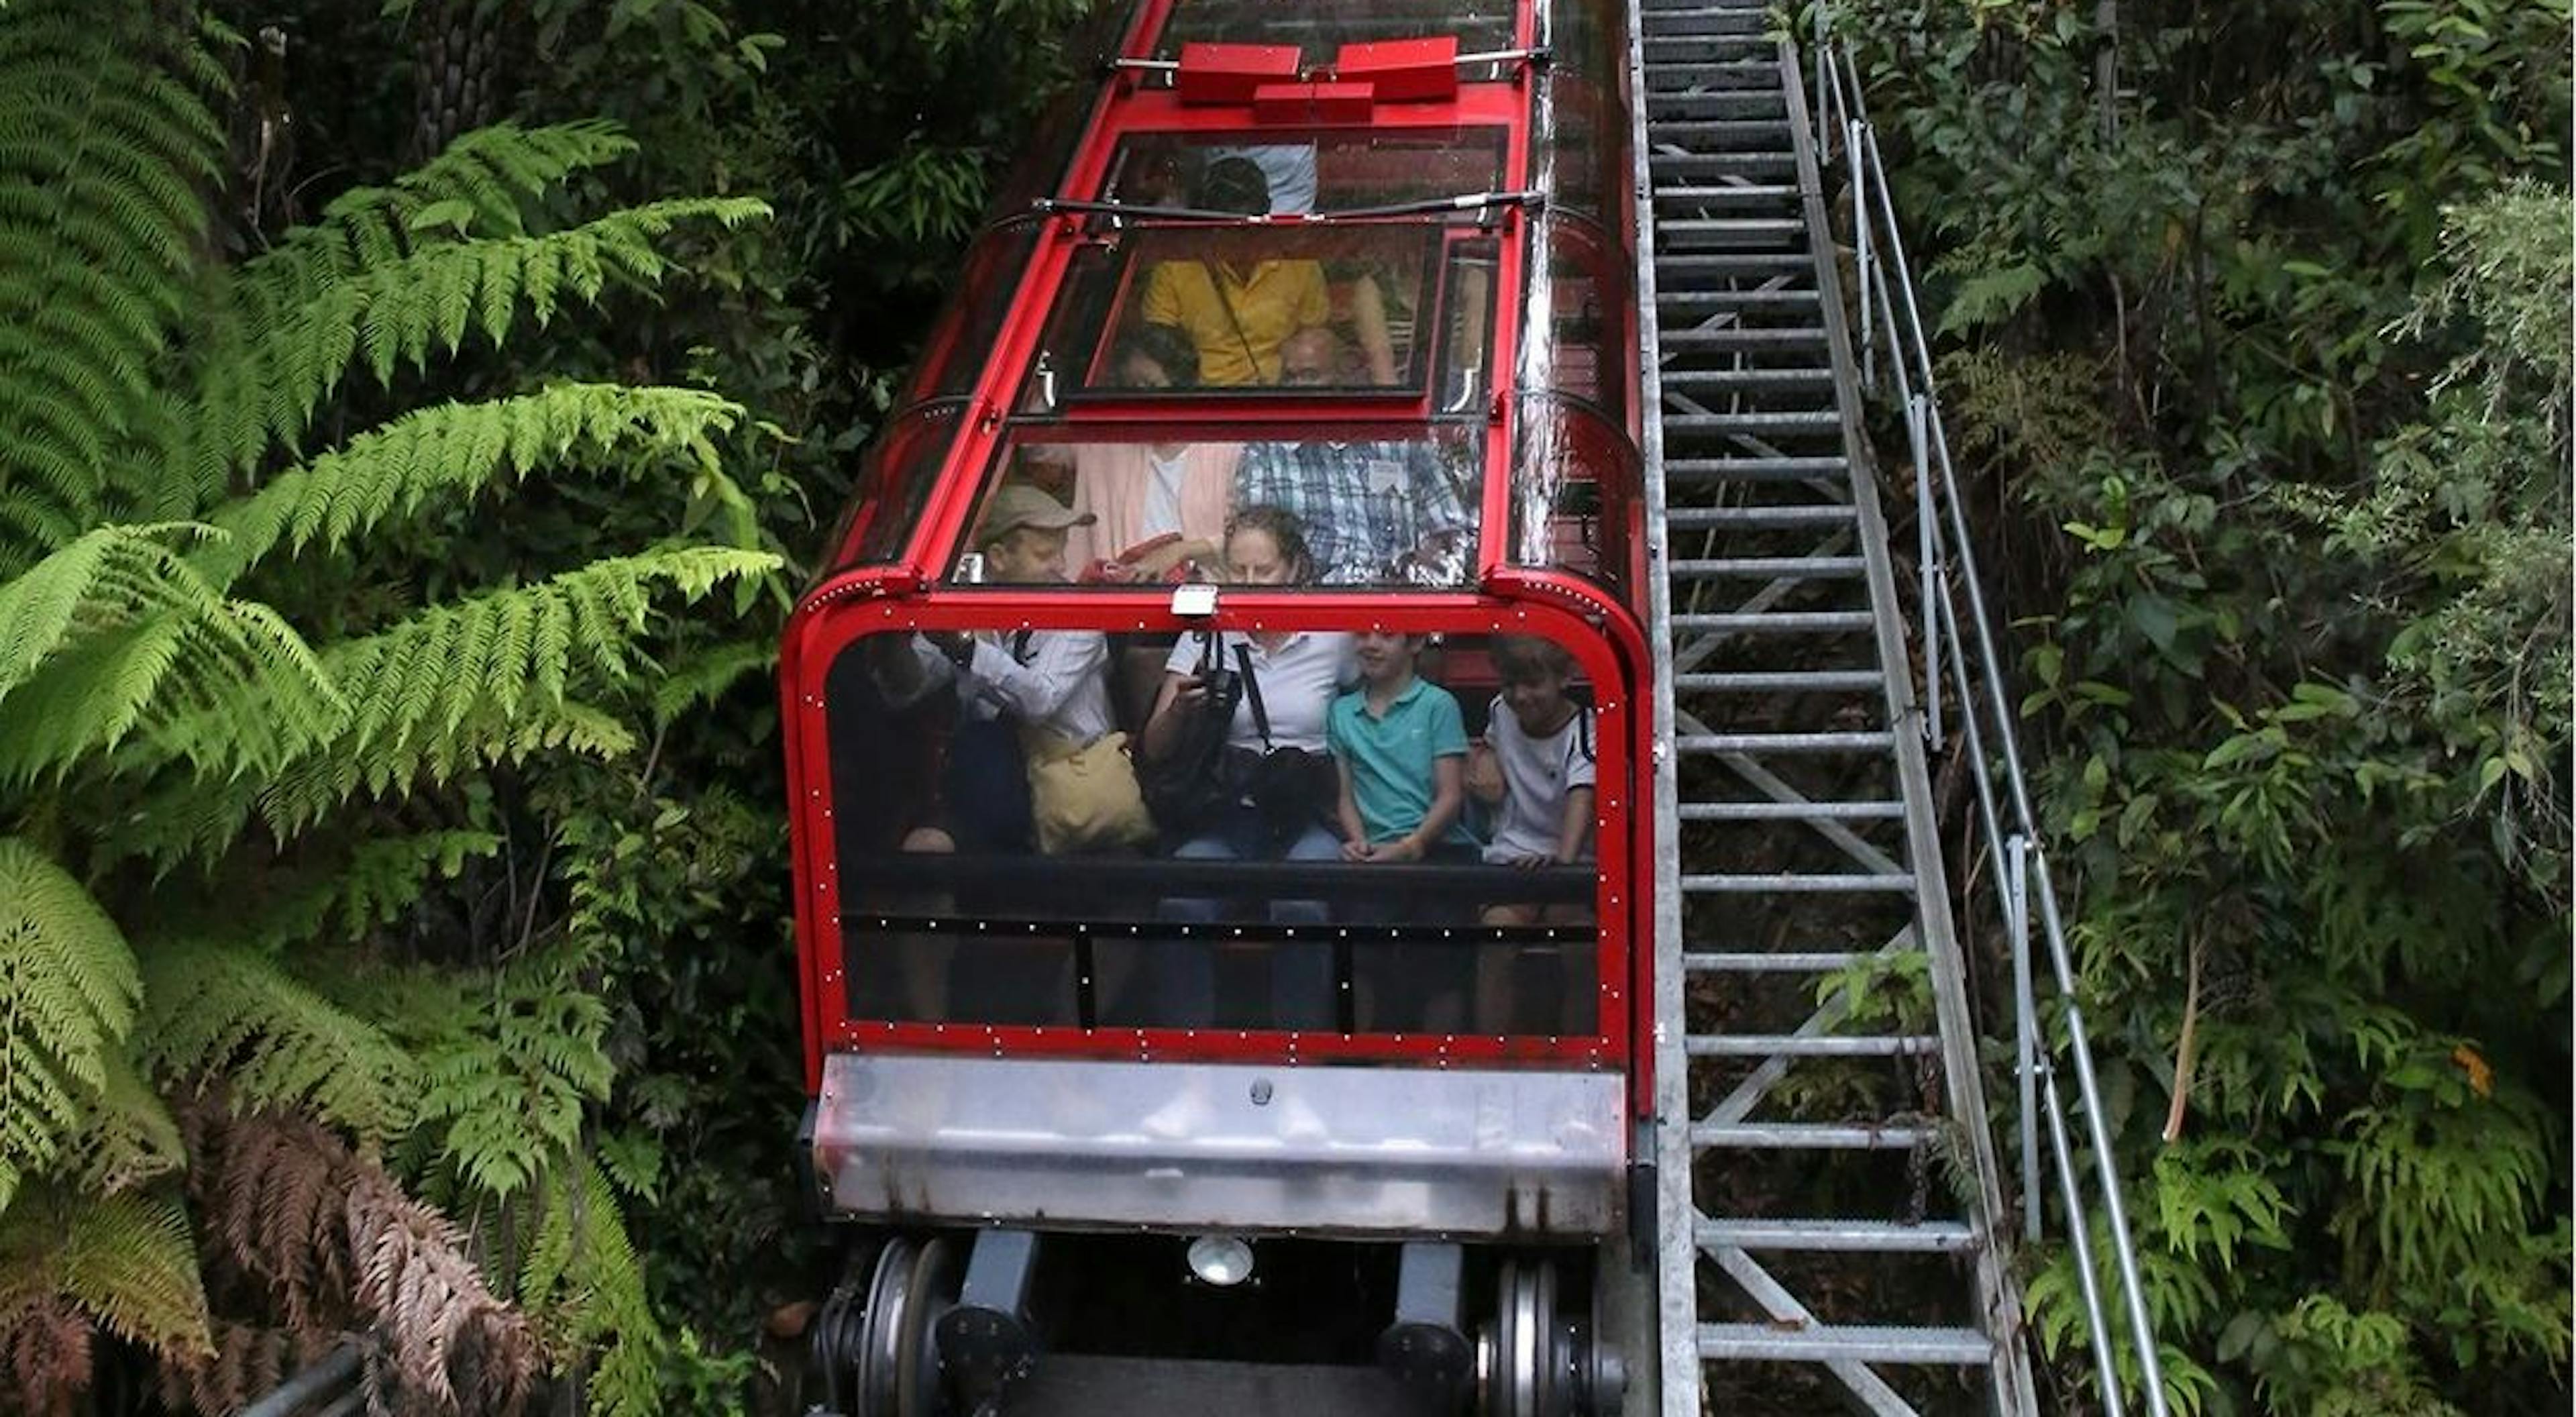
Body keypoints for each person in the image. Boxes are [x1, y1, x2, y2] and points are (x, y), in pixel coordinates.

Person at [1122, 507, 1355, 1029]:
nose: (1250, 584)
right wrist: (1181, 711)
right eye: (1240, 571)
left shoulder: (1333, 637)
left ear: (1294, 569)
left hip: (1307, 810)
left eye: (1264, 571)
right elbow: (1156, 751)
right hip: (1230, 809)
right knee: (1181, 903)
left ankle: (1299, 1066)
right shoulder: (1205, 637)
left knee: (1302, 910)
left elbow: (1380, 701)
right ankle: (1192, 1065)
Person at [1235, 331, 1478, 584]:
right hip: (1311, 606)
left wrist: (1419, 572)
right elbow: (1258, 549)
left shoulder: (1401, 441)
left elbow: (1450, 530)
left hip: (1401, 599)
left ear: (1347, 374)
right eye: (1290, 378)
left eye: (1311, 376)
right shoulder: (1266, 452)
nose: (1299, 388)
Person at [1328, 631, 1477, 1031]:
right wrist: (1357, 841)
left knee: (1440, 957)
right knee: (1356, 953)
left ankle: (1436, 1065)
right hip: (1373, 854)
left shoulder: (1437, 705)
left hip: (1437, 850)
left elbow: (1450, 797)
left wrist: (1412, 846)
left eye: (1386, 635)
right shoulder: (1341, 712)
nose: (1371, 644)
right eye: (1362, 635)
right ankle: (1358, 1057)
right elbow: (1345, 794)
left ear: (1414, 645)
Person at [1466, 634, 1598, 1035]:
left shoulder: (1585, 731)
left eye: (1533, 684)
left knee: (1580, 948)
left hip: (1569, 865)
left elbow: (1583, 797)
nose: (1521, 697)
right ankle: (1492, 1059)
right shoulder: (1500, 712)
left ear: (1564, 678)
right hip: (1514, 857)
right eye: (1510, 685)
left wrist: (1562, 864)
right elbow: (1488, 746)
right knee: (1497, 937)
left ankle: (1579, 1058)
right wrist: (1485, 763)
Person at [1052, 327, 1240, 582]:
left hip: (1202, 598)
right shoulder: (1103, 443)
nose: (1140, 397)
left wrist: (1178, 553)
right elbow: (1041, 450)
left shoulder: (1227, 448)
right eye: (1131, 387)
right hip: (1115, 598)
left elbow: (1244, 537)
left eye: (1150, 386)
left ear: (1181, 387)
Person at [1139, 157, 1327, 386]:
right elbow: (1156, 332)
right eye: (1227, 228)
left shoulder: (1300, 265)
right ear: (1207, 222)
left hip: (1275, 395)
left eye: (1247, 227)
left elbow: (1316, 336)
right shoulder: (1176, 265)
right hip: (1196, 398)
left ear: (1266, 212)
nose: (1238, 237)